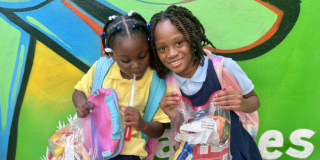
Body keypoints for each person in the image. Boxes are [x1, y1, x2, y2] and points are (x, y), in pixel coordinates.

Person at [149, 5, 262, 159]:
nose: (172, 53)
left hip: (236, 151)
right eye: (162, 48)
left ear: (193, 40)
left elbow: (254, 101)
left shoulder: (224, 68)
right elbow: (181, 129)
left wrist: (242, 104)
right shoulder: (168, 85)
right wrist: (173, 115)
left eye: (179, 43)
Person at [72, 10, 170, 160]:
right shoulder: (101, 69)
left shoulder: (155, 83)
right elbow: (78, 92)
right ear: (111, 54)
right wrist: (81, 105)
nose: (136, 65)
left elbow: (160, 129)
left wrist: (142, 125)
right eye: (126, 60)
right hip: (95, 148)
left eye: (142, 56)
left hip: (129, 153)